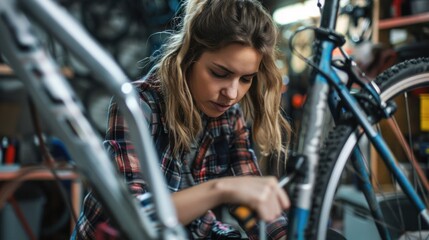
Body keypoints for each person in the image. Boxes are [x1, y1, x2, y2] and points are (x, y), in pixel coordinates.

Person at [72, 0, 292, 239]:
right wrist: (221, 189)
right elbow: (132, 218)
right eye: (220, 73)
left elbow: (250, 196)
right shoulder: (137, 105)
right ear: (189, 57)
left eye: (246, 79)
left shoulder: (230, 116)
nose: (232, 93)